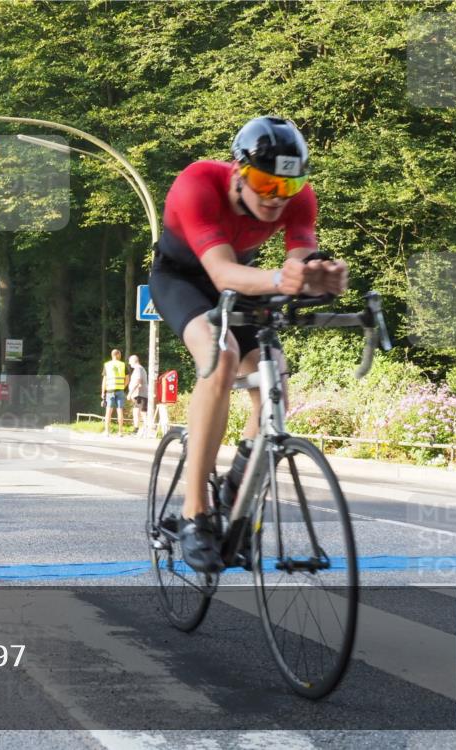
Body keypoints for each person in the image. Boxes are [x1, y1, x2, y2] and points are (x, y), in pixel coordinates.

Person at [149, 116, 348, 572]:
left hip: (244, 283)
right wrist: (285, 278)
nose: (276, 196)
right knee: (221, 358)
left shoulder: (298, 200)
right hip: (183, 280)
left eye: (289, 185)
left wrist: (317, 276)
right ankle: (195, 510)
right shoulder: (197, 183)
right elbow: (221, 273)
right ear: (239, 172)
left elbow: (301, 259)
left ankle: (238, 486)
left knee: (274, 370)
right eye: (264, 182)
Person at [100, 349, 127, 437]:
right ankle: (120, 432)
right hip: (120, 390)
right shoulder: (123, 365)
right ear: (118, 355)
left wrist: (103, 392)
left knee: (108, 411)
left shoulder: (107, 365)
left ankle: (107, 432)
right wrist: (123, 386)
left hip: (110, 391)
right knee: (120, 411)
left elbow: (104, 380)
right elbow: (127, 379)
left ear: (112, 355)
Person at [127, 354, 147, 434]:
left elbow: (138, 382)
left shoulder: (138, 369)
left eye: (130, 361)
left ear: (134, 361)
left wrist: (130, 393)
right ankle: (136, 428)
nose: (129, 363)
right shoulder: (139, 369)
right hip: (138, 394)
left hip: (140, 394)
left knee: (143, 412)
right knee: (136, 411)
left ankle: (147, 428)